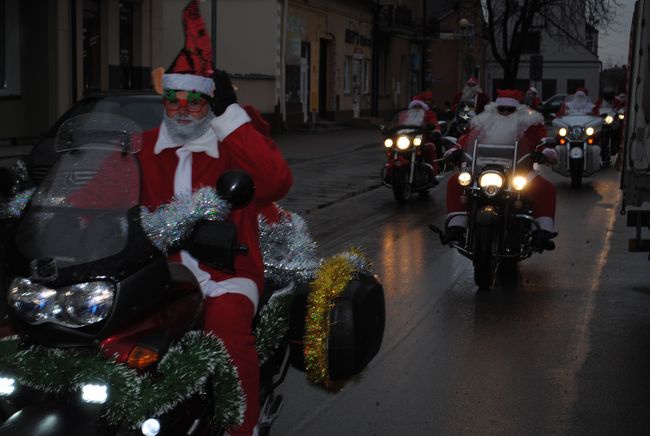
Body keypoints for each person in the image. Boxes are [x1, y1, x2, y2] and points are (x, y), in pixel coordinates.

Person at [140, 2, 292, 435]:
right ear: (164, 100)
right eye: (174, 100)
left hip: (226, 270)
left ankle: (237, 426)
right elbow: (98, 190)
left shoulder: (231, 142)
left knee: (226, 329)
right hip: (156, 273)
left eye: (195, 100)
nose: (184, 110)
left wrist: (230, 115)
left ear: (209, 103)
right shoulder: (141, 147)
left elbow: (276, 181)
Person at [444, 89, 558, 250]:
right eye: (501, 109)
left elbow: (541, 141)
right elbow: (467, 139)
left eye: (509, 109)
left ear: (517, 110)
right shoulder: (484, 123)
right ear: (494, 109)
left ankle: (543, 232)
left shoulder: (529, 126)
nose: (505, 113)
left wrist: (545, 152)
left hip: (518, 172)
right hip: (481, 170)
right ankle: (456, 228)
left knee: (546, 189)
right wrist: (456, 150)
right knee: (456, 182)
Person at [408, 91, 443, 171]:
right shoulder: (407, 115)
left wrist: (436, 131)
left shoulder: (429, 114)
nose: (417, 108)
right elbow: (400, 124)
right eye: (415, 106)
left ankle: (433, 169)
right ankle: (390, 173)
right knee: (393, 148)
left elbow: (434, 123)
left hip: (423, 139)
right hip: (408, 140)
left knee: (430, 147)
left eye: (419, 106)